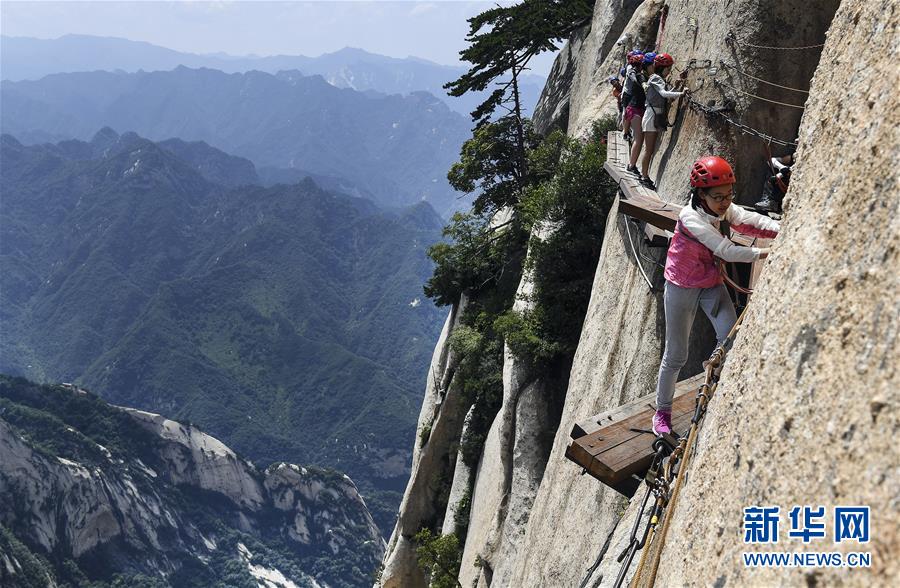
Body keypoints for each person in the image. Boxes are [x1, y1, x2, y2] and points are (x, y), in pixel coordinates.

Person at [652, 156, 781, 436]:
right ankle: (662, 412)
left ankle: (714, 373)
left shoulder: (720, 207)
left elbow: (746, 220)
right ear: (701, 194)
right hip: (682, 286)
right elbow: (726, 250)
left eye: (729, 194)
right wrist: (766, 251)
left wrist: (781, 229)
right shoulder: (690, 217)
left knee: (730, 337)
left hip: (710, 282)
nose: (725, 202)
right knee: (676, 356)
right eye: (718, 196)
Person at [639, 53, 686, 190]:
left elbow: (664, 96)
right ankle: (644, 176)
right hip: (651, 116)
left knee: (650, 149)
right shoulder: (655, 78)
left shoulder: (657, 78)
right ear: (662, 68)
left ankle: (644, 175)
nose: (669, 71)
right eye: (668, 68)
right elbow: (664, 94)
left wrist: (676, 88)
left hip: (653, 115)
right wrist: (681, 93)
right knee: (648, 150)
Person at [624, 52, 651, 169]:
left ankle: (632, 164)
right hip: (635, 109)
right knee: (638, 139)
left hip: (634, 109)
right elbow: (634, 78)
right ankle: (631, 165)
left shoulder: (638, 74)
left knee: (638, 139)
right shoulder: (637, 75)